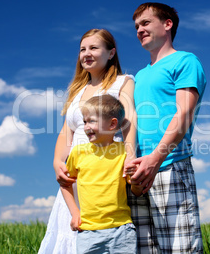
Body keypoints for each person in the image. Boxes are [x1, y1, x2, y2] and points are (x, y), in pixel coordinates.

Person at [38, 29, 136, 254]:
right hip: (79, 169)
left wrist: (130, 156)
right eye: (83, 49)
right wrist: (56, 162)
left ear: (111, 53)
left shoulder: (123, 82)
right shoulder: (76, 90)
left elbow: (130, 120)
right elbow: (66, 132)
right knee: (74, 230)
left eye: (94, 48)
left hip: (106, 168)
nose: (86, 54)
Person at [125, 2, 207, 253]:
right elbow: (131, 121)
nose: (139, 29)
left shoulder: (185, 61)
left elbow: (184, 113)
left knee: (180, 249)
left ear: (167, 24)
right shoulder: (138, 76)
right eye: (137, 26)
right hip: (137, 172)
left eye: (146, 23)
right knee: (143, 249)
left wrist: (154, 160)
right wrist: (132, 161)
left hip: (169, 163)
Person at [61, 95, 142, 253]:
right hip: (88, 232)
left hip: (121, 230)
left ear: (112, 124)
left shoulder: (124, 152)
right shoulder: (78, 153)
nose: (86, 127)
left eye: (91, 121)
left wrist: (136, 179)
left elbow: (136, 191)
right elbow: (65, 183)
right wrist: (74, 213)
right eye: (84, 122)